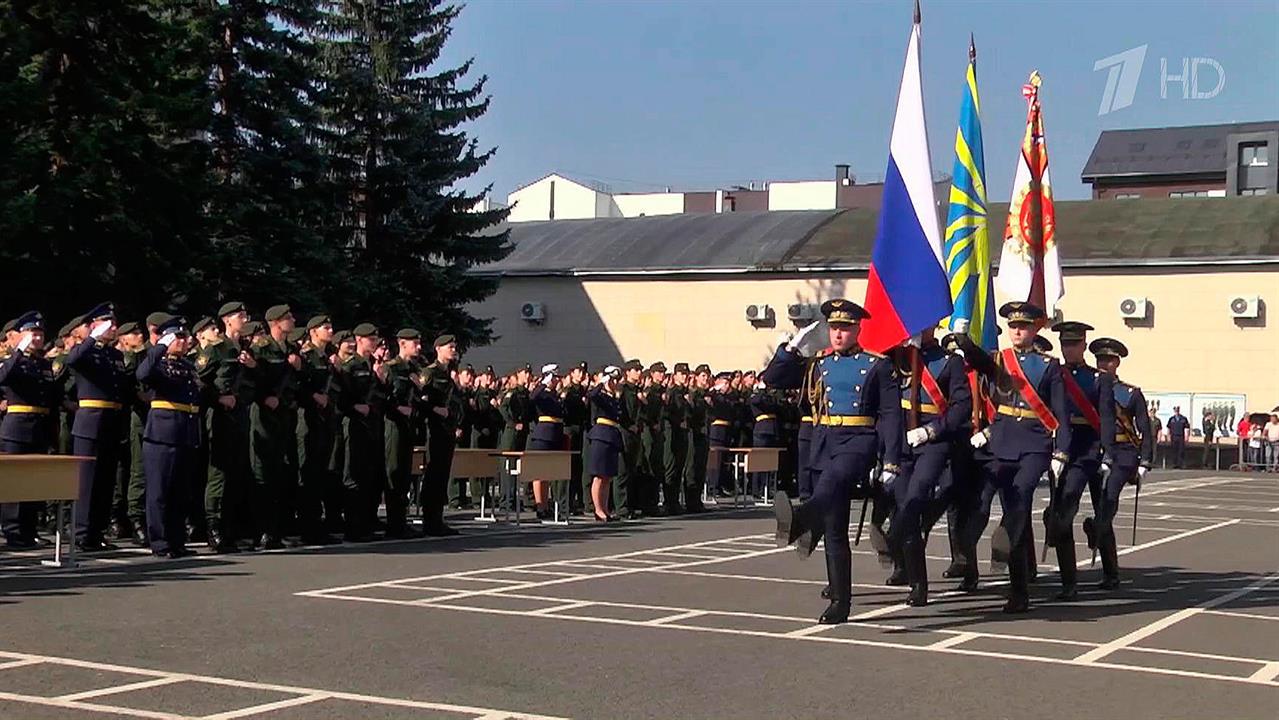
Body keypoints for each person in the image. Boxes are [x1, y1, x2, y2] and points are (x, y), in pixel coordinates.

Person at [766, 299, 902, 625]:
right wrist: (791, 348)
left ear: (858, 329)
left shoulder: (877, 365)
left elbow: (891, 416)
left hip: (858, 441)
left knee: (830, 485)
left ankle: (799, 521)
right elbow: (772, 377)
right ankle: (840, 602)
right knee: (834, 526)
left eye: (845, 328)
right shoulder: (818, 364)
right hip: (824, 441)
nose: (838, 334)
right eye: (834, 328)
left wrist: (892, 461)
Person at [957, 301, 1071, 613]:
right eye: (1012, 326)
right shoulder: (1000, 360)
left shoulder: (1049, 366)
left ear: (1035, 329)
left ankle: (1014, 577)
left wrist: (1061, 452)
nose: (1017, 330)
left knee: (1020, 498)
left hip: (1034, 445)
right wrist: (964, 341)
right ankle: (1015, 586)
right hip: (1002, 441)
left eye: (1023, 326)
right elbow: (980, 363)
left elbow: (1061, 413)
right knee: (1002, 506)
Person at [893, 325, 972, 607]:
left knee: (914, 501)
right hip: (901, 444)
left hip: (933, 442)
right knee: (904, 508)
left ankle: (917, 585)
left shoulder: (949, 362)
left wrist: (933, 430)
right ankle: (913, 577)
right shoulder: (896, 358)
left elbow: (962, 407)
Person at [1042, 321, 1112, 601]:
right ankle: (1068, 581)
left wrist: (1107, 452)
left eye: (1073, 344)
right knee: (1060, 513)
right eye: (1065, 344)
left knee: (1097, 510)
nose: (1068, 349)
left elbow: (1106, 418)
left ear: (1083, 346)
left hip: (1088, 449)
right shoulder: (1053, 373)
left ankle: (1111, 571)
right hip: (1062, 450)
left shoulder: (1099, 379)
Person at [66, 302, 133, 552]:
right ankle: (83, 532)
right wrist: (92, 336)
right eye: (107, 323)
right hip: (90, 420)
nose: (112, 327)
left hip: (111, 420)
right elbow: (73, 359)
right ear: (93, 325)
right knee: (88, 481)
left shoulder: (114, 355)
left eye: (114, 323)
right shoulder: (86, 351)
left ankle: (97, 531)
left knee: (106, 480)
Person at [136, 316, 202, 558]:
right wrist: (161, 346)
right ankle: (161, 542)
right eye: (178, 338)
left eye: (184, 337)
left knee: (179, 492)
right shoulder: (157, 363)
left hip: (184, 432)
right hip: (162, 434)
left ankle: (177, 540)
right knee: (159, 492)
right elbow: (142, 375)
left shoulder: (187, 366)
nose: (184, 342)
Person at [1092, 337, 1153, 589]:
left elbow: (1144, 429)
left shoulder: (1130, 393)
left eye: (1108, 360)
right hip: (1095, 449)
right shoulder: (1089, 386)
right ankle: (1098, 533)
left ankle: (1110, 570)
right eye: (1100, 360)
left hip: (1123, 452)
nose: (1104, 364)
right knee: (1100, 507)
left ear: (1117, 362)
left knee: (1108, 499)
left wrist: (1145, 461)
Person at [1, 312, 60, 548]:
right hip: (17, 425)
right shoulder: (10, 361)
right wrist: (17, 352)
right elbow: (3, 377)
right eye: (32, 333)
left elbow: (51, 395)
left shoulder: (43, 363)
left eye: (40, 334)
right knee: (15, 481)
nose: (37, 338)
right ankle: (13, 529)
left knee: (34, 481)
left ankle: (30, 528)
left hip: (40, 424)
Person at [248, 305, 301, 549]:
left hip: (285, 415)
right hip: (264, 414)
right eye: (288, 318)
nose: (292, 320)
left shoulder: (292, 349)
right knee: (263, 473)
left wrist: (298, 369)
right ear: (276, 322)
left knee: (280, 472)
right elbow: (250, 380)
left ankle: (277, 528)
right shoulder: (261, 348)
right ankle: (262, 530)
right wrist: (262, 396)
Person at [337, 323, 388, 542]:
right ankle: (353, 526)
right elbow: (340, 396)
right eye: (370, 340)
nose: (374, 343)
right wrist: (354, 407)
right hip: (354, 425)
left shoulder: (370, 365)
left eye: (375, 340)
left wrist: (381, 380)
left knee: (368, 476)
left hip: (370, 426)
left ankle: (365, 524)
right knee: (353, 476)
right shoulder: (350, 365)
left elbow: (379, 396)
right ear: (359, 340)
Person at [295, 315, 340, 545]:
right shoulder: (307, 355)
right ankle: (308, 524)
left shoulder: (326, 357)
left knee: (320, 472)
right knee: (309, 473)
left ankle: (316, 522)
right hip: (308, 419)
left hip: (324, 420)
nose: (330, 330)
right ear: (313, 331)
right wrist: (313, 395)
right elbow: (297, 385)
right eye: (326, 327)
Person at [417, 334, 461, 536]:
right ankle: (430, 519)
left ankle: (437, 518)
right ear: (439, 349)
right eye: (450, 346)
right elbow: (421, 400)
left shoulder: (449, 373)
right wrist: (435, 410)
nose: (453, 349)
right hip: (434, 429)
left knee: (442, 474)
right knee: (433, 474)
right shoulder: (431, 372)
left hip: (448, 430)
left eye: (454, 346)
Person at [383, 328, 425, 539]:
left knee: (404, 475)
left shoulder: (414, 369)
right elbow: (383, 397)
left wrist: (420, 390)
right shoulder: (391, 368)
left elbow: (418, 398)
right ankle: (394, 522)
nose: (418, 347)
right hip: (393, 425)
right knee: (393, 472)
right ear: (402, 344)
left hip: (409, 426)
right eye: (414, 343)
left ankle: (401, 520)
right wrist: (397, 409)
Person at [528, 364, 567, 520]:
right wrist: (543, 383)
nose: (557, 380)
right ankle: (540, 505)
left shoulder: (555, 394)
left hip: (556, 433)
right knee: (540, 472)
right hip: (543, 433)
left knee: (549, 473)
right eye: (554, 377)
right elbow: (532, 398)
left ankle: (546, 504)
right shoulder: (541, 392)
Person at [586, 366, 625, 522]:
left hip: (612, 435)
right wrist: (601, 383)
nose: (614, 382)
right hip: (601, 435)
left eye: (616, 380)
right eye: (612, 379)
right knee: (599, 475)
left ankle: (605, 509)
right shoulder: (600, 394)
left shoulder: (614, 397)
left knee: (607, 476)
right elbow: (591, 395)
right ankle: (598, 509)